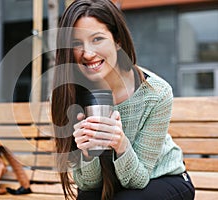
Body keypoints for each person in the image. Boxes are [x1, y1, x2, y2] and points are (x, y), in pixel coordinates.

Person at [51, 0, 195, 200]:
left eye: (97, 39)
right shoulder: (70, 94)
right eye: (77, 43)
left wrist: (120, 144)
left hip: (163, 179)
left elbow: (138, 180)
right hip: (111, 186)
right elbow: (87, 185)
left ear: (117, 40)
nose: (88, 53)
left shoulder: (155, 93)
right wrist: (87, 152)